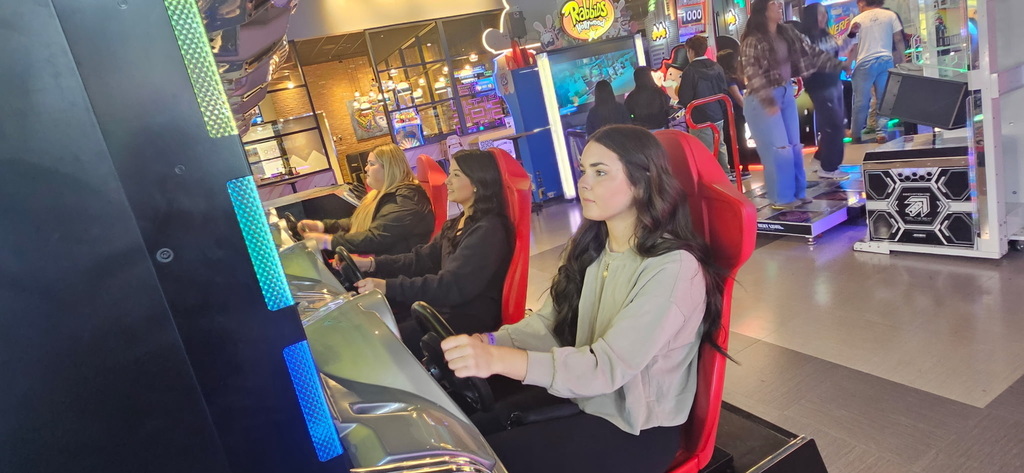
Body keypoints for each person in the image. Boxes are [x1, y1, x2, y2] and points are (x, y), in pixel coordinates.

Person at [438, 125, 727, 473]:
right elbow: (549, 324)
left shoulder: (673, 268)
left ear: (641, 181)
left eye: (600, 172)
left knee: (483, 463)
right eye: (583, 171)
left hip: (636, 429)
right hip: (588, 399)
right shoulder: (595, 248)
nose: (584, 182)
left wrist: (498, 359)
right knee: (467, 439)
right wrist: (489, 341)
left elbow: (604, 368)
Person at [347, 149, 513, 356]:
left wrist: (387, 286)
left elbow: (450, 285)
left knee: (379, 344)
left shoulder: (488, 230)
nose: (447, 181)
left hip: (466, 319)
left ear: (477, 183)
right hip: (444, 308)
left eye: (456, 175)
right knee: (374, 325)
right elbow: (420, 258)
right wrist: (372, 264)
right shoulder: (455, 224)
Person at [740, 0, 843, 209]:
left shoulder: (787, 32)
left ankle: (798, 191)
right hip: (762, 97)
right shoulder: (753, 40)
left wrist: (840, 65)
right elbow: (751, 71)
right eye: (773, 3)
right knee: (779, 150)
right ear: (762, 10)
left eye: (779, 3)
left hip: (785, 92)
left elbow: (812, 53)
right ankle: (781, 198)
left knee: (794, 147)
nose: (779, 6)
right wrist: (768, 101)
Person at [298, 143, 433, 256]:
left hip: (401, 276)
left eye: (371, 164)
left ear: (389, 168)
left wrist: (328, 241)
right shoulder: (384, 194)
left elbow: (376, 238)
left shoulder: (405, 199)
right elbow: (358, 222)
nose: (366, 168)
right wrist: (322, 226)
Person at [800, 2, 858, 180]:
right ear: (811, 17)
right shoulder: (805, 38)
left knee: (835, 124)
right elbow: (817, 60)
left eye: (824, 13)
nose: (824, 17)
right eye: (819, 14)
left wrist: (851, 34)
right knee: (834, 125)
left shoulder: (826, 35)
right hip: (819, 84)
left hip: (833, 81)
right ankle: (829, 167)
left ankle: (820, 160)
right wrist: (843, 65)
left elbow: (838, 48)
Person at [848, 0, 906, 144]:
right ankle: (881, 134)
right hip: (885, 61)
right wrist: (903, 60)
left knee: (861, 102)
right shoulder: (890, 15)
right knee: (883, 99)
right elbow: (898, 38)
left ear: (861, 3)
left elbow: (853, 46)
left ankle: (855, 134)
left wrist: (849, 65)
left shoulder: (857, 20)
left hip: (864, 63)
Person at [676, 35, 731, 176]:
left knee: (705, 149)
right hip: (718, 113)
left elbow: (685, 96)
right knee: (720, 145)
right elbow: (724, 89)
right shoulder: (717, 66)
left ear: (691, 51)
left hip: (699, 116)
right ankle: (726, 174)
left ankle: (712, 178)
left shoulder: (690, 71)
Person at [716, 49, 753, 180]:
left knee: (731, 140)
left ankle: (737, 167)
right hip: (738, 112)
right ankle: (743, 167)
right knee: (740, 139)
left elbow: (737, 97)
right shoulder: (736, 76)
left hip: (732, 113)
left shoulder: (728, 78)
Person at [624, 66, 671, 131]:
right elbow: (666, 110)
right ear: (649, 77)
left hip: (641, 131)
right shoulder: (659, 92)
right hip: (660, 128)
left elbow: (628, 115)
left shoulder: (631, 97)